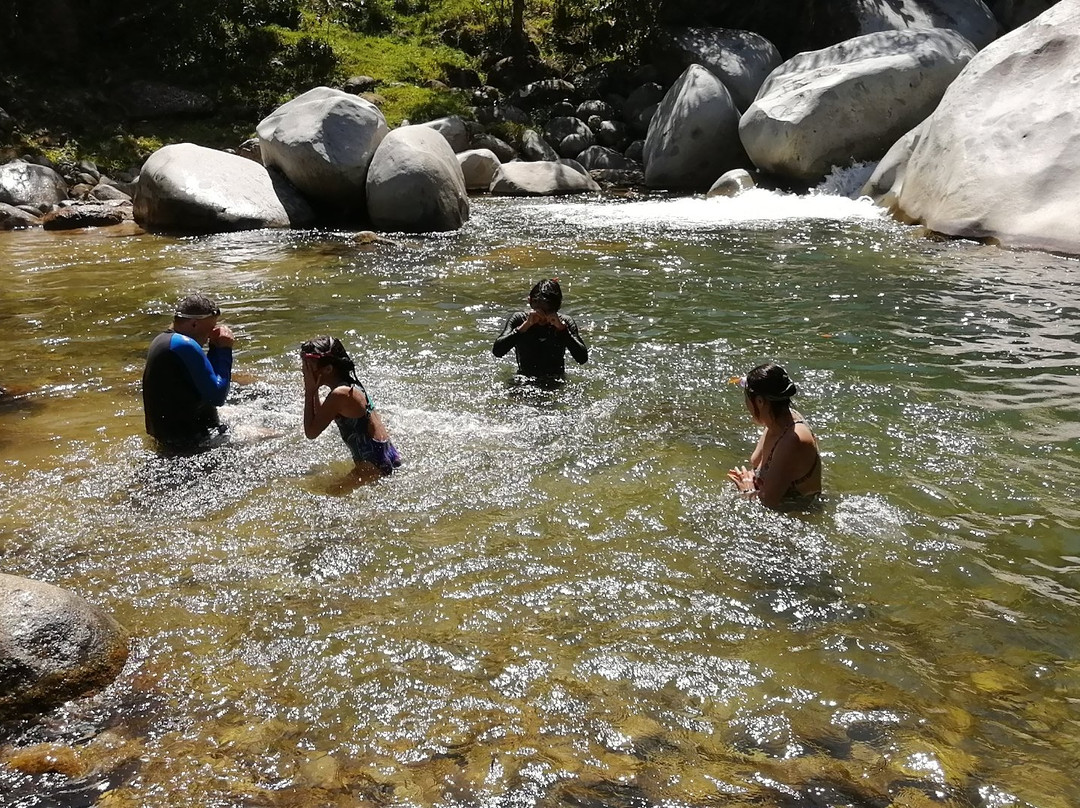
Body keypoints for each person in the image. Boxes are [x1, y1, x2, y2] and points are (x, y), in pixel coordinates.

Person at [142, 292, 234, 451]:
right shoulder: (185, 345)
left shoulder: (163, 341)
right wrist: (223, 349)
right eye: (211, 328)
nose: (210, 335)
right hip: (193, 442)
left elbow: (206, 380)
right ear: (194, 324)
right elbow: (218, 396)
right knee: (276, 434)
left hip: (168, 438)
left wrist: (214, 349)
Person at [300, 336, 401, 479]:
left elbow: (311, 432)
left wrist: (309, 392)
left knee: (323, 497)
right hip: (387, 458)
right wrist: (314, 390)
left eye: (309, 366)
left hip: (371, 469)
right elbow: (321, 417)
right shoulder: (350, 384)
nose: (304, 371)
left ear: (328, 369)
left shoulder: (339, 394)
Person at [728, 362, 822, 509]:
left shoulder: (793, 439)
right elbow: (757, 462)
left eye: (747, 399)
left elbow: (768, 501)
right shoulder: (777, 421)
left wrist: (747, 489)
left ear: (759, 401)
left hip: (799, 520)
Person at [492, 278, 588, 379]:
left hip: (555, 380)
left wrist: (563, 330)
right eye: (537, 311)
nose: (542, 316)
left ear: (557, 307)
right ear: (529, 301)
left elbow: (582, 359)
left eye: (548, 311)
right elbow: (498, 351)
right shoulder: (519, 320)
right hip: (525, 379)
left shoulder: (565, 323)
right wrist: (524, 326)